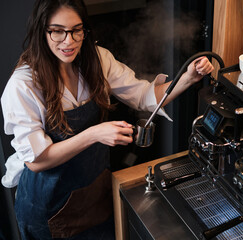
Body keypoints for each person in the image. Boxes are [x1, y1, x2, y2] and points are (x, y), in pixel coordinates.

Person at [0, 0, 214, 239]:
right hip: (48, 207)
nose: (68, 41)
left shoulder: (97, 59)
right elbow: (37, 161)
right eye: (57, 31)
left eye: (76, 30)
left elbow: (144, 96)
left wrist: (187, 78)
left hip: (94, 195)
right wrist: (94, 134)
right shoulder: (24, 84)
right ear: (42, 31)